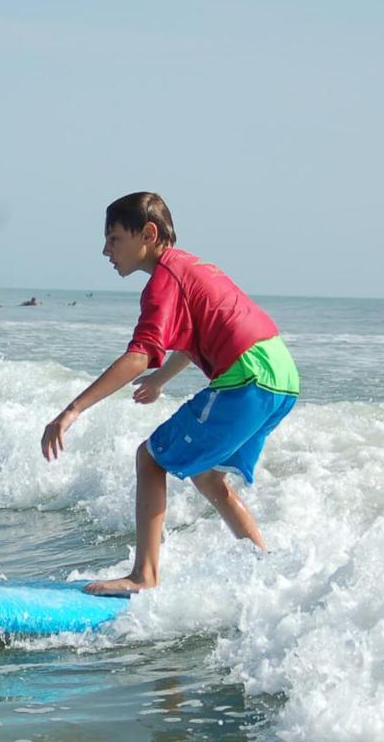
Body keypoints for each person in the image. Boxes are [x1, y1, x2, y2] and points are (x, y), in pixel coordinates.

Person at [40, 191, 298, 596]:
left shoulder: (164, 280)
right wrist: (162, 381)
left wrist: (71, 410)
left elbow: (141, 354)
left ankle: (144, 575)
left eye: (113, 239)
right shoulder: (191, 266)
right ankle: (264, 571)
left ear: (148, 233)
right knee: (207, 477)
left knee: (150, 457)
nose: (105, 251)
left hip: (247, 378)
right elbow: (194, 337)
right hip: (281, 378)